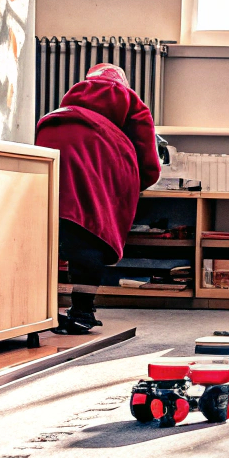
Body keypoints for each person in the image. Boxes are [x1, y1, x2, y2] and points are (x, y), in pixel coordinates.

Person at [35, 64, 160, 334]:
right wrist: (134, 184)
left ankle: (34, 310)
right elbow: (149, 163)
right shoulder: (132, 102)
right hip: (95, 167)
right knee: (90, 232)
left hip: (49, 161)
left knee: (44, 239)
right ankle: (82, 312)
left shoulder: (67, 106)